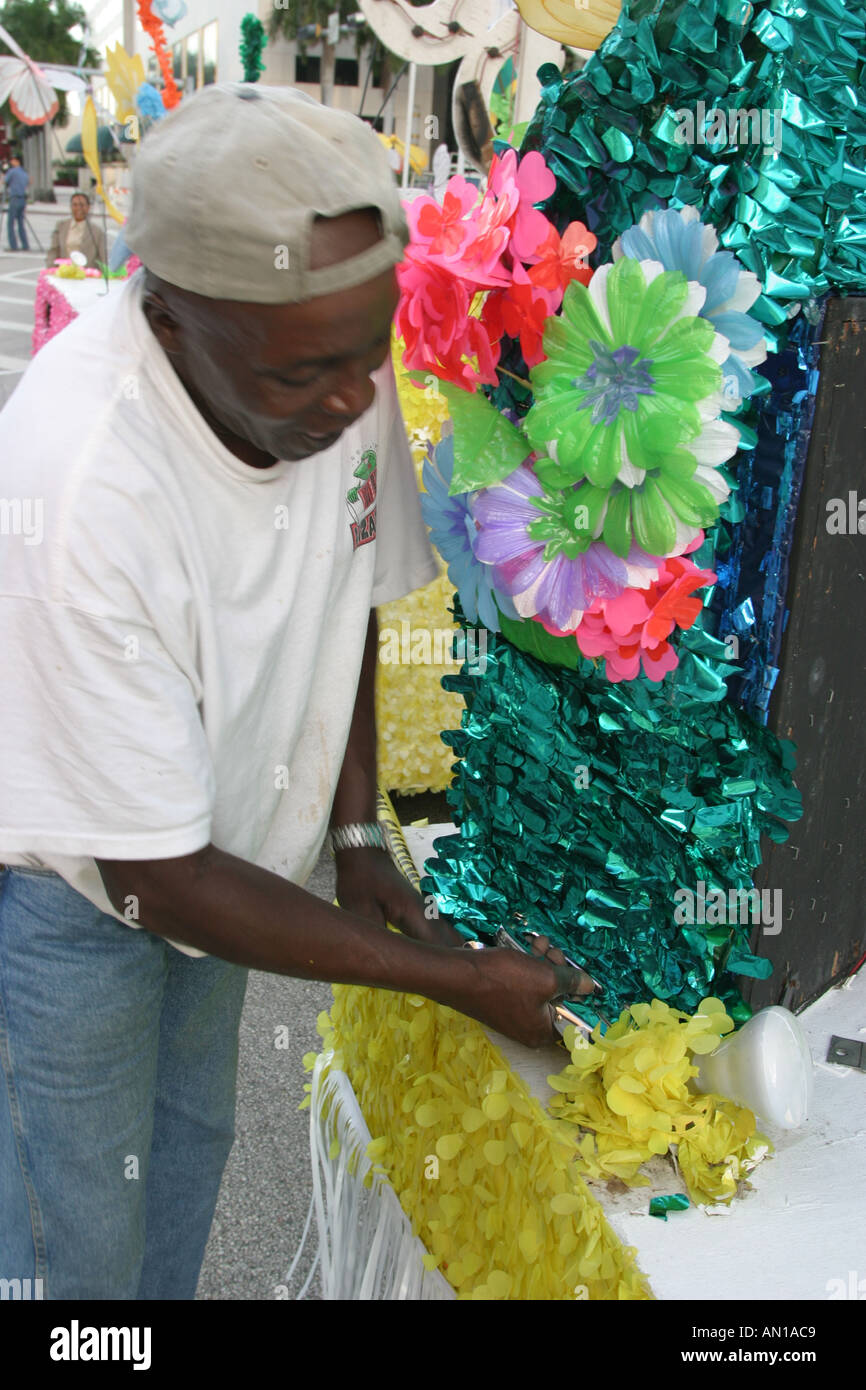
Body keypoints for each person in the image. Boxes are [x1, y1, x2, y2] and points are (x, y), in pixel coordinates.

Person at [0, 84, 592, 1301]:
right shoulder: (83, 483)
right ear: (166, 318)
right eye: (306, 372)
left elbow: (348, 587)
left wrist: (357, 827)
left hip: (222, 854)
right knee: (77, 1238)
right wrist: (457, 978)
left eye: (362, 356)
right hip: (77, 894)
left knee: (183, 1163)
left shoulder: (327, 358)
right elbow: (153, 876)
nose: (347, 400)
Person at [45, 190, 108, 269]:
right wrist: (51, 268)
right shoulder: (61, 226)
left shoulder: (97, 231)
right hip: (63, 274)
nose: (78, 208)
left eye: (82, 205)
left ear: (88, 207)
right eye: (75, 205)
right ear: (71, 207)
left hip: (86, 276)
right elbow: (53, 251)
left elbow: (103, 258)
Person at [3, 154, 29, 251]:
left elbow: (4, 181)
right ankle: (25, 244)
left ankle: (13, 245)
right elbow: (28, 182)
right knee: (21, 223)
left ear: (17, 161)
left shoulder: (12, 172)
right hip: (22, 199)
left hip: (14, 199)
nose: (11, 162)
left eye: (13, 160)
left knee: (10, 223)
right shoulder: (24, 173)